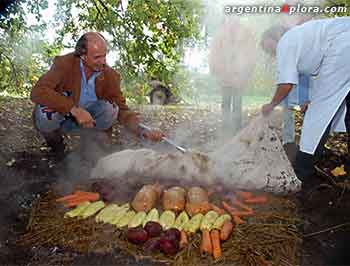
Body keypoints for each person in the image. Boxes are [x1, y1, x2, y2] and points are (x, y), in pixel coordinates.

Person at [31, 32, 163, 156]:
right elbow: (38, 91)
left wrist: (142, 130)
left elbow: (122, 110)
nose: (103, 61)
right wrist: (74, 110)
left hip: (89, 123)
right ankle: (57, 147)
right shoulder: (64, 64)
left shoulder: (110, 76)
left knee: (112, 108)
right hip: (63, 119)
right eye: (97, 57)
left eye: (104, 55)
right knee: (44, 113)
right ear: (82, 56)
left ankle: (91, 146)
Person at [261, 17, 350, 188]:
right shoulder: (302, 38)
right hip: (343, 43)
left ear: (276, 36)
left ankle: (302, 171)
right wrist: (309, 99)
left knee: (317, 115)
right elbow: (319, 70)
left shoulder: (285, 42)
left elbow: (286, 84)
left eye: (268, 46)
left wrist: (271, 105)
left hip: (343, 45)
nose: (269, 52)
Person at [261, 25, 311, 162]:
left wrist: (307, 98)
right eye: (268, 49)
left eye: (270, 46)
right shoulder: (282, 54)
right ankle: (289, 143)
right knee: (288, 114)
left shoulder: (295, 45)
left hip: (306, 86)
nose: (270, 51)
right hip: (292, 90)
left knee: (310, 117)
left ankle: (308, 150)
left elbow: (303, 76)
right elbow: (284, 80)